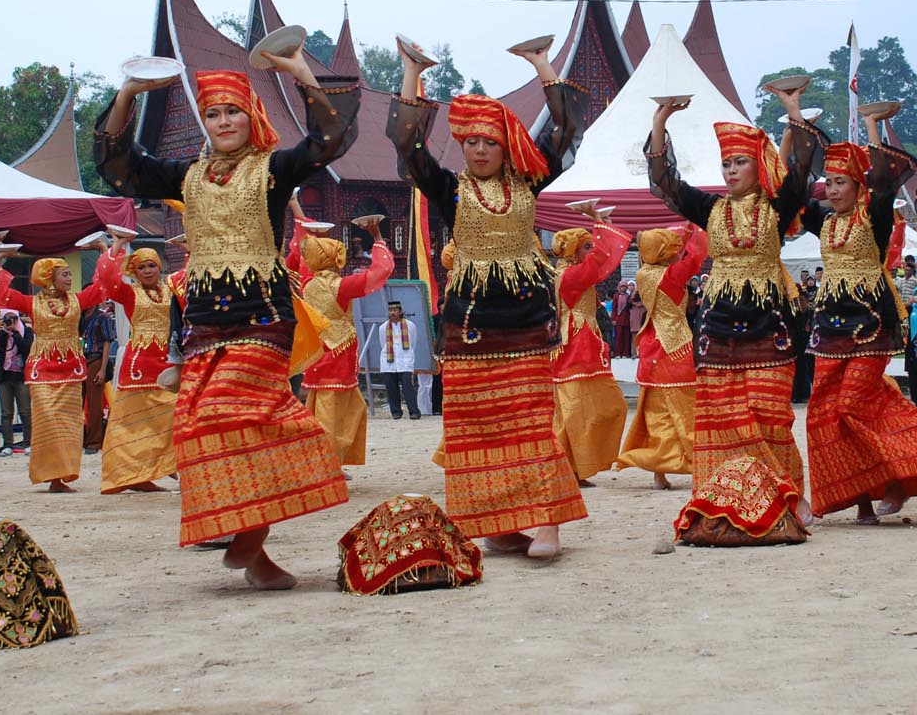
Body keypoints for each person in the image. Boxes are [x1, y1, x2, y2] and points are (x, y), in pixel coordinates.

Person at [96, 50, 357, 589]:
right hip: (203, 322)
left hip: (262, 315)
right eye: (213, 115)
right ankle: (256, 553)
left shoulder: (274, 170)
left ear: (251, 117)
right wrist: (126, 94)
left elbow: (329, 141)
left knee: (232, 412)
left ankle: (247, 538)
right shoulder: (184, 175)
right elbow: (120, 166)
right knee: (197, 426)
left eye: (232, 113)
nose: (223, 123)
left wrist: (302, 74)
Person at [389, 37, 586, 560]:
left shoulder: (529, 182)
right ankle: (498, 524)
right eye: (471, 141)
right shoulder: (449, 189)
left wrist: (543, 66)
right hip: (469, 324)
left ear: (507, 148)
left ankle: (548, 523)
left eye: (490, 142)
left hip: (523, 319)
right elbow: (408, 148)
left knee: (531, 419)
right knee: (478, 425)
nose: (479, 150)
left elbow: (566, 132)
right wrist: (411, 74)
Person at [647, 94, 813, 519]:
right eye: (727, 164)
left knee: (768, 412)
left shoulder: (777, 209)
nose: (732, 170)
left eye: (740, 162)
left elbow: (799, 173)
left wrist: (794, 116)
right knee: (722, 413)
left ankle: (788, 493)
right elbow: (666, 183)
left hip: (768, 320)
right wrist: (660, 121)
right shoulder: (710, 208)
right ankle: (724, 495)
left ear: (759, 166)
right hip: (718, 322)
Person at [798, 111, 917, 524]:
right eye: (829, 182)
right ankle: (864, 501)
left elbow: (885, 182)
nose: (831, 190)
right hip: (830, 329)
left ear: (858, 185)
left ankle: (907, 475)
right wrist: (796, 120)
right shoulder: (825, 222)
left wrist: (871, 129)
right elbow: (793, 191)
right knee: (824, 413)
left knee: (851, 407)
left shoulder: (875, 218)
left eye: (840, 182)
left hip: (870, 327)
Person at [0, 253, 106, 493]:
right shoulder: (32, 303)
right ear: (50, 278)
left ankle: (62, 476)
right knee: (47, 420)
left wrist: (107, 248)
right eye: (65, 274)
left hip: (70, 369)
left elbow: (103, 287)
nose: (70, 278)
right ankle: (50, 475)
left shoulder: (77, 300)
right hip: (43, 368)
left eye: (70, 273)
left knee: (69, 424)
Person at [291, 217, 394, 464]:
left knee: (339, 410)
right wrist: (378, 240)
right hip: (336, 358)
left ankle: (324, 459)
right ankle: (326, 463)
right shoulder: (341, 287)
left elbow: (303, 258)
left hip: (319, 355)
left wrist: (309, 232)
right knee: (331, 415)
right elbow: (379, 273)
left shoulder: (307, 283)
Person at [617, 224, 708, 490]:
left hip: (651, 343)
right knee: (687, 408)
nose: (678, 251)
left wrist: (687, 233)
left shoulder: (644, 273)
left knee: (657, 412)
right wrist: (697, 227)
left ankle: (659, 473)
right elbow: (697, 257)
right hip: (675, 346)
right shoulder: (671, 276)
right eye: (674, 247)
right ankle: (697, 464)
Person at [550, 211, 632, 486]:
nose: (592, 250)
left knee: (585, 410)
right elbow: (602, 260)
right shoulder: (571, 276)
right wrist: (600, 224)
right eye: (586, 246)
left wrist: (602, 225)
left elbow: (602, 260)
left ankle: (572, 468)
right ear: (573, 251)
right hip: (576, 346)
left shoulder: (571, 273)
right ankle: (568, 470)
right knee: (576, 412)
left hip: (582, 343)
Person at [93, 243, 179, 493]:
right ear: (135, 271)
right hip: (138, 365)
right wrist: (115, 245)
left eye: (152, 265)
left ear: (159, 267)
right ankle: (136, 475)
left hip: (167, 361)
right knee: (133, 424)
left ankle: (166, 465)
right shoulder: (129, 293)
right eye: (141, 267)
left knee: (174, 414)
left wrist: (187, 250)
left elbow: (189, 277)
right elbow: (108, 277)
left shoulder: (172, 290)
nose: (148, 271)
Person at [0, 308, 33, 454]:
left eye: (13, 318)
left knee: (25, 411)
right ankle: (8, 444)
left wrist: (16, 332)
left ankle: (28, 442)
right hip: (5, 376)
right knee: (6, 412)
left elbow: (26, 349)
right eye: (7, 319)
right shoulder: (2, 334)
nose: (10, 321)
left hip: (21, 376)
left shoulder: (26, 331)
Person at [80, 299, 117, 452]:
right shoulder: (79, 317)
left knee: (95, 403)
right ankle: (79, 438)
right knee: (76, 402)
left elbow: (107, 342)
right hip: (79, 360)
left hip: (96, 358)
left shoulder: (103, 317)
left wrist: (102, 368)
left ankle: (94, 442)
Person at [611, 281, 633, 358]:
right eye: (622, 286)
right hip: (618, 318)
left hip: (627, 319)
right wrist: (613, 319)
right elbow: (614, 308)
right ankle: (617, 353)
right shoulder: (616, 296)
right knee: (618, 336)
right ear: (619, 287)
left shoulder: (628, 296)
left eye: (625, 286)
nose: (623, 288)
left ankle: (625, 353)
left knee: (626, 337)